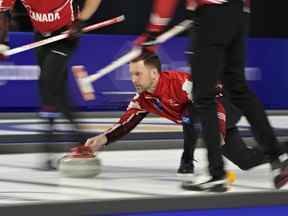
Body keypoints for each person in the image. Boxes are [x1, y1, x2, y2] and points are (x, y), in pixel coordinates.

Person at [134, 0, 288, 189]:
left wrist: (153, 32)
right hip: (239, 13)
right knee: (239, 91)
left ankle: (217, 174)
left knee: (203, 97)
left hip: (211, 15)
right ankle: (278, 156)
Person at [83, 53, 271, 182]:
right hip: (205, 119)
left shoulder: (181, 83)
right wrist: (103, 139)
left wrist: (218, 131)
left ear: (154, 73)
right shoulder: (142, 99)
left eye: (138, 74)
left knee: (189, 113)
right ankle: (280, 150)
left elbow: (212, 102)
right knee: (246, 161)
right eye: (131, 74)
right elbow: (125, 124)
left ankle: (187, 161)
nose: (133, 79)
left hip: (226, 104)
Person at [0, 0, 102, 169]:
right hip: (41, 37)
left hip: (66, 35)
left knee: (48, 82)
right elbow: (2, 11)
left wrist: (80, 21)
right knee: (57, 90)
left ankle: (48, 148)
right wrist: (2, 40)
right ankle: (80, 137)